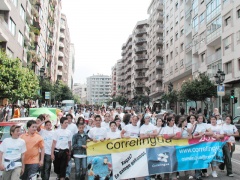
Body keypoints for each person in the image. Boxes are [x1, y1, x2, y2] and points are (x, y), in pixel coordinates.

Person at [65, 114, 78, 179]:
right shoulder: (64, 125)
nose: (68, 119)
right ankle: (67, 174)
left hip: (73, 145)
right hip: (65, 146)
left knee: (73, 160)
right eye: (67, 118)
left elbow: (76, 135)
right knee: (68, 160)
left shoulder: (74, 126)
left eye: (70, 118)